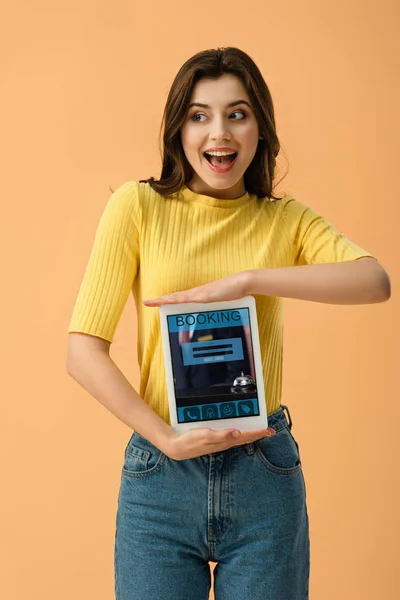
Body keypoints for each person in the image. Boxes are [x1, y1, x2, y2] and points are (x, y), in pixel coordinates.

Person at [66, 47, 391, 600]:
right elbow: (82, 351)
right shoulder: (136, 206)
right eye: (200, 115)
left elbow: (375, 280)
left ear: (260, 127)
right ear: (178, 128)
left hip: (263, 472)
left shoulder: (284, 219)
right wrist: (165, 439)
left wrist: (248, 281)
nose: (220, 132)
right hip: (160, 477)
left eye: (237, 113)